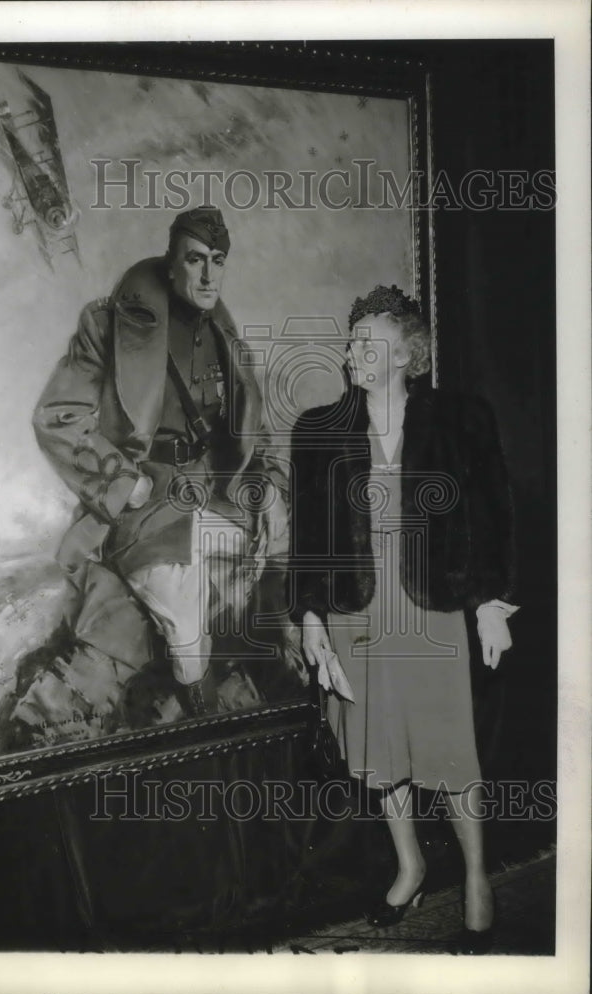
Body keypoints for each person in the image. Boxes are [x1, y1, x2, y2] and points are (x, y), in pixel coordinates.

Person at [290, 285, 517, 954]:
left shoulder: (460, 420)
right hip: (357, 610)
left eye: (369, 342)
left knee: (448, 748)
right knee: (379, 748)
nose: (353, 352)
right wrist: (308, 617)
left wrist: (493, 603)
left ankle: (477, 876)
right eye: (351, 339)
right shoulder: (319, 430)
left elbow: (493, 518)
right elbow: (308, 538)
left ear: (407, 354)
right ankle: (410, 864)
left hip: (432, 609)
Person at [33, 206, 290, 717]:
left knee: (283, 565)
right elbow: (58, 417)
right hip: (146, 510)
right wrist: (122, 483)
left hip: (214, 492)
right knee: (186, 624)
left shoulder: (224, 333)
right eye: (196, 261)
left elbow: (252, 431)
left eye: (218, 260)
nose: (209, 274)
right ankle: (205, 732)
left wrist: (271, 489)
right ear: (171, 263)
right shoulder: (108, 323)